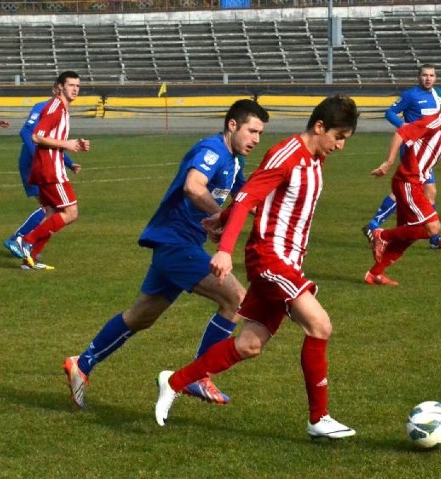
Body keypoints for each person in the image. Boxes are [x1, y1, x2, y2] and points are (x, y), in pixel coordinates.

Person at [154, 95, 359, 440]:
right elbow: (249, 196)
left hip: (289, 262)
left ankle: (174, 381)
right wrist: (224, 250)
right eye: (338, 137)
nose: (339, 146)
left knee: (249, 344)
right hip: (270, 259)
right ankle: (318, 418)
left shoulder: (314, 160)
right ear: (319, 127)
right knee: (320, 324)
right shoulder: (287, 154)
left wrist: (222, 215)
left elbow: (256, 195)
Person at [62, 99, 269, 408]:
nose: (255, 139)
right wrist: (219, 217)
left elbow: (244, 197)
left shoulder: (235, 161)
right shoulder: (212, 151)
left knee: (141, 316)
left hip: (177, 245)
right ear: (232, 125)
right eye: (252, 131)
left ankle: (83, 363)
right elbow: (193, 186)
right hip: (176, 244)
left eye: (260, 134)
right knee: (236, 298)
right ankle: (199, 375)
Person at [365, 89, 441, 286]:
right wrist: (388, 162)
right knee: (432, 228)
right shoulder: (432, 121)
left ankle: (374, 274)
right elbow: (401, 133)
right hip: (408, 180)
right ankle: (380, 234)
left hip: (417, 182)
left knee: (407, 237)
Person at [361, 65, 441, 251]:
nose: (428, 79)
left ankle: (433, 239)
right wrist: (403, 125)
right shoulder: (410, 95)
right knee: (408, 189)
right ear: (418, 77)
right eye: (424, 75)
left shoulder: (440, 94)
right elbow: (389, 112)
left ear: (436, 78)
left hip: (428, 151)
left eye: (431, 75)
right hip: (412, 149)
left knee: (427, 192)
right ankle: (375, 226)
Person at [13, 71, 90, 270]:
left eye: (78, 86)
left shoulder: (62, 109)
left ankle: (30, 260)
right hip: (51, 169)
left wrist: (76, 145)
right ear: (60, 87)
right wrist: (67, 143)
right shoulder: (55, 106)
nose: (75, 89)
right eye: (71, 85)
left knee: (52, 213)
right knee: (71, 212)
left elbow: (52, 138)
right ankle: (25, 240)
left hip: (48, 167)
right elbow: (36, 136)